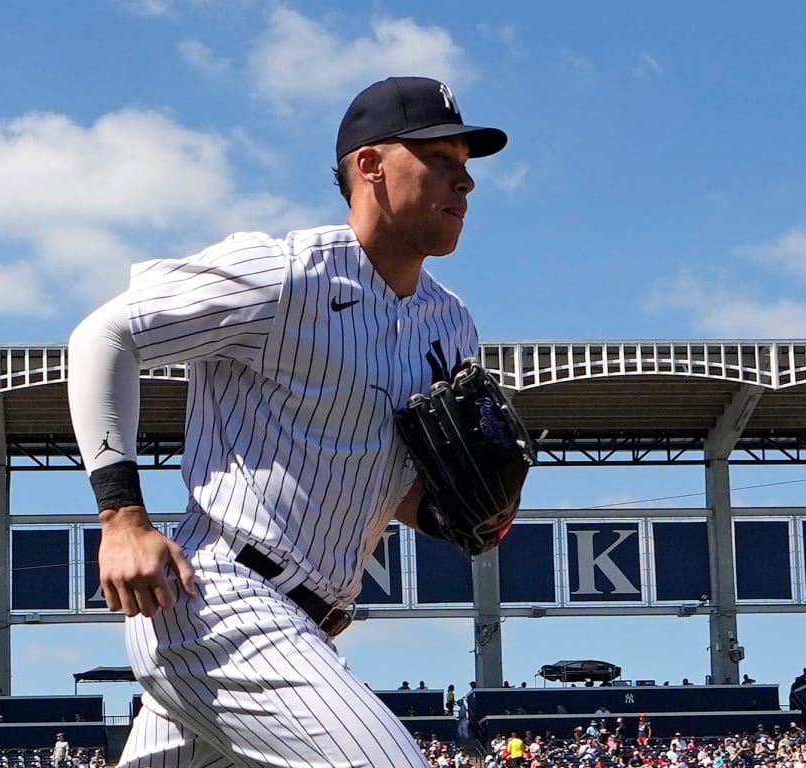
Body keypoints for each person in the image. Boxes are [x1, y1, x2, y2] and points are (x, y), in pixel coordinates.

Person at [67, 75, 507, 767]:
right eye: (440, 160)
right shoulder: (282, 274)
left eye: (466, 164)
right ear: (370, 166)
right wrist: (122, 518)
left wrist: (458, 516)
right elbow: (105, 336)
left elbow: (384, 477)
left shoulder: (451, 324)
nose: (465, 183)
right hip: (220, 600)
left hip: (305, 625)